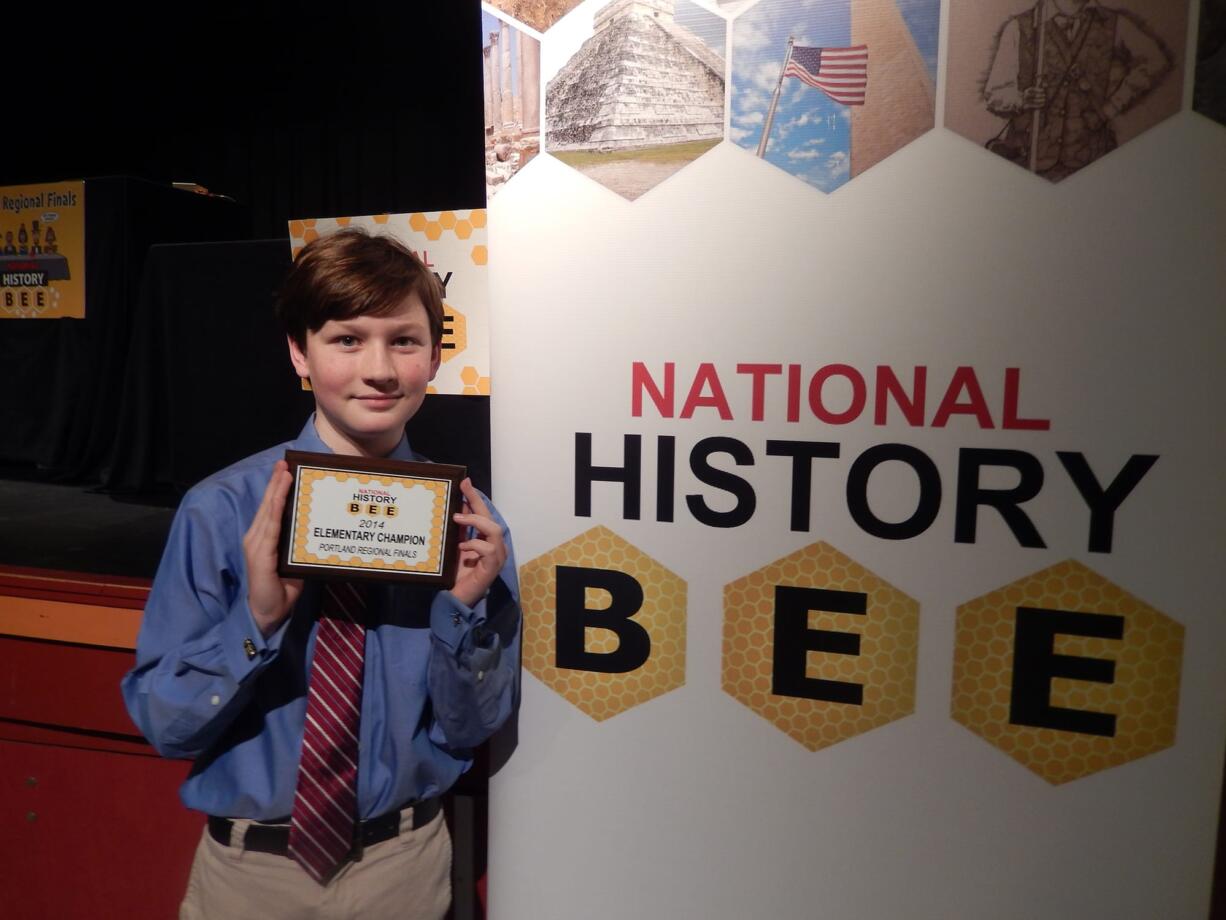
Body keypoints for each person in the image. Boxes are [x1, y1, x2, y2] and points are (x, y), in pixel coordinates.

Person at [121, 228, 520, 919]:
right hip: (252, 875)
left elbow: (467, 731)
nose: (380, 370)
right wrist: (258, 622)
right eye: (346, 340)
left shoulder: (468, 527)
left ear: (436, 356)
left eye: (404, 340)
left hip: (402, 866)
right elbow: (167, 725)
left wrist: (458, 609)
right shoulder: (222, 511)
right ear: (299, 353)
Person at [982, 0, 1172, 180]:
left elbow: (1155, 61)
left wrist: (1112, 107)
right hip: (1029, 160)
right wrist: (1023, 99)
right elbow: (994, 95)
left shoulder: (1112, 22)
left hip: (1092, 160)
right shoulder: (1019, 27)